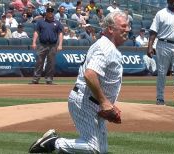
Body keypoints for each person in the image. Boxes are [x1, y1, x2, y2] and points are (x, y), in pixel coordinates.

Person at [28, 11, 130, 153]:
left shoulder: (108, 46)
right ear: (111, 29)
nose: (128, 29)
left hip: (93, 101)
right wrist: (105, 103)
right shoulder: (105, 47)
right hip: (86, 101)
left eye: (129, 26)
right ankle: (53, 143)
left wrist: (107, 104)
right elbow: (90, 74)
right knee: (93, 148)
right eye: (124, 26)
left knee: (102, 150)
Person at [147, 0, 174, 106]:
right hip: (163, 44)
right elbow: (153, 32)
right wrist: (150, 47)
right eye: (172, 0)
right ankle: (160, 98)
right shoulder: (161, 13)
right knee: (162, 73)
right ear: (168, 1)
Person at [30, 5, 63, 85]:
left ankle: (49, 79)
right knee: (39, 61)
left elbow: (60, 34)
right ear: (46, 13)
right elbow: (36, 32)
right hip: (42, 44)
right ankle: (36, 78)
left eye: (51, 11)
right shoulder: (41, 22)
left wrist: (60, 44)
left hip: (52, 45)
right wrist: (34, 42)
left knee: (51, 63)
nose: (50, 13)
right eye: (49, 11)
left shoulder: (57, 23)